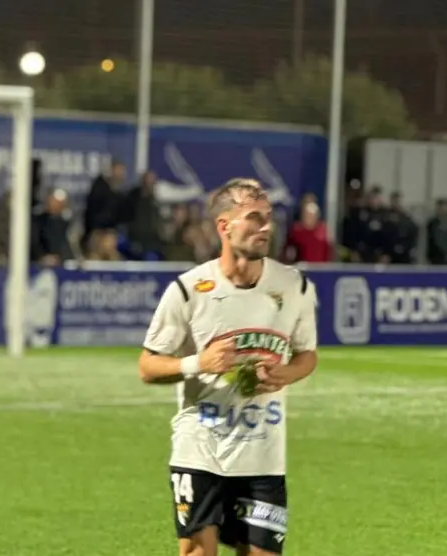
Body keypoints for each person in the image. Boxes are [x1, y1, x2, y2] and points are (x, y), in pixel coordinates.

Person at [137, 178, 319, 556]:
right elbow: (147, 366)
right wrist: (198, 363)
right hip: (200, 452)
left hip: (263, 458)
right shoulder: (188, 290)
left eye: (268, 217)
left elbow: (307, 354)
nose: (266, 227)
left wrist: (288, 373)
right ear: (224, 226)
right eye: (254, 218)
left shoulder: (294, 286)